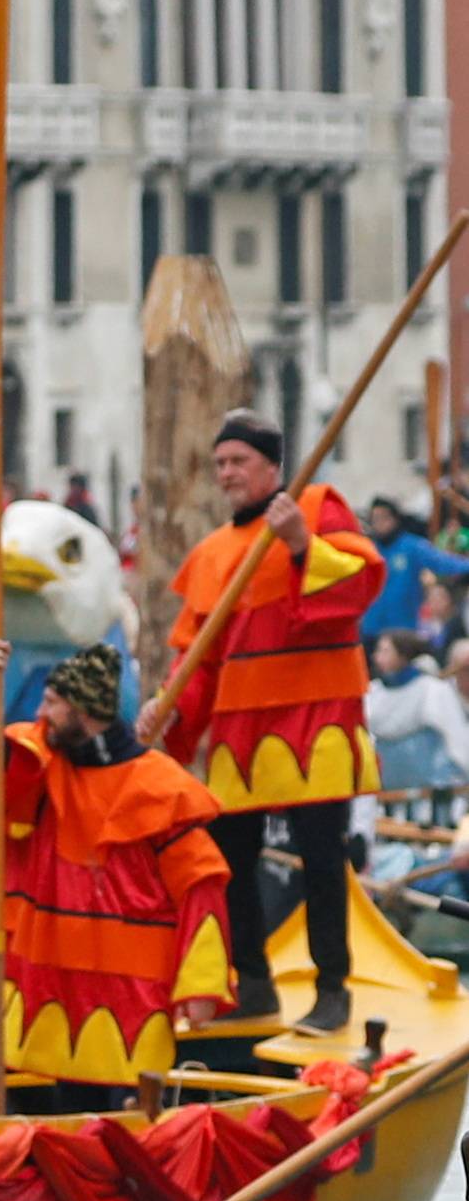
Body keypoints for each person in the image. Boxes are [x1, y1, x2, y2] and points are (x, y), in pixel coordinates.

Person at [141, 408, 383, 1031]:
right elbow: (198, 656)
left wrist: (303, 544)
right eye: (220, 463)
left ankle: (334, 991)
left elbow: (359, 584)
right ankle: (254, 982)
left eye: (239, 461)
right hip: (242, 730)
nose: (227, 473)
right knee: (230, 859)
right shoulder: (212, 553)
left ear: (273, 466)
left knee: (322, 859)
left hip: (316, 715)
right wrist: (166, 710)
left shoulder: (319, 506)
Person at [0, 631, 232, 1085]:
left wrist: (202, 985)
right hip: (53, 989)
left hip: (133, 997)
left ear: (84, 713)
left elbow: (202, 886)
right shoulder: (46, 768)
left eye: (52, 702)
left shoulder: (160, 785)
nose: (40, 714)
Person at [365, 629, 469, 806]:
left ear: (403, 655)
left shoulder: (432, 690)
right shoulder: (373, 691)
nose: (378, 657)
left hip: (428, 798)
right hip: (384, 795)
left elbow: (457, 739)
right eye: (378, 651)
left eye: (385, 651)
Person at [360, 497, 469, 642]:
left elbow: (443, 563)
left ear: (395, 519)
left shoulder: (412, 546)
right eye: (374, 519)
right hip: (371, 628)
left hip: (403, 630)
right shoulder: (367, 549)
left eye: (383, 518)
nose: (378, 524)